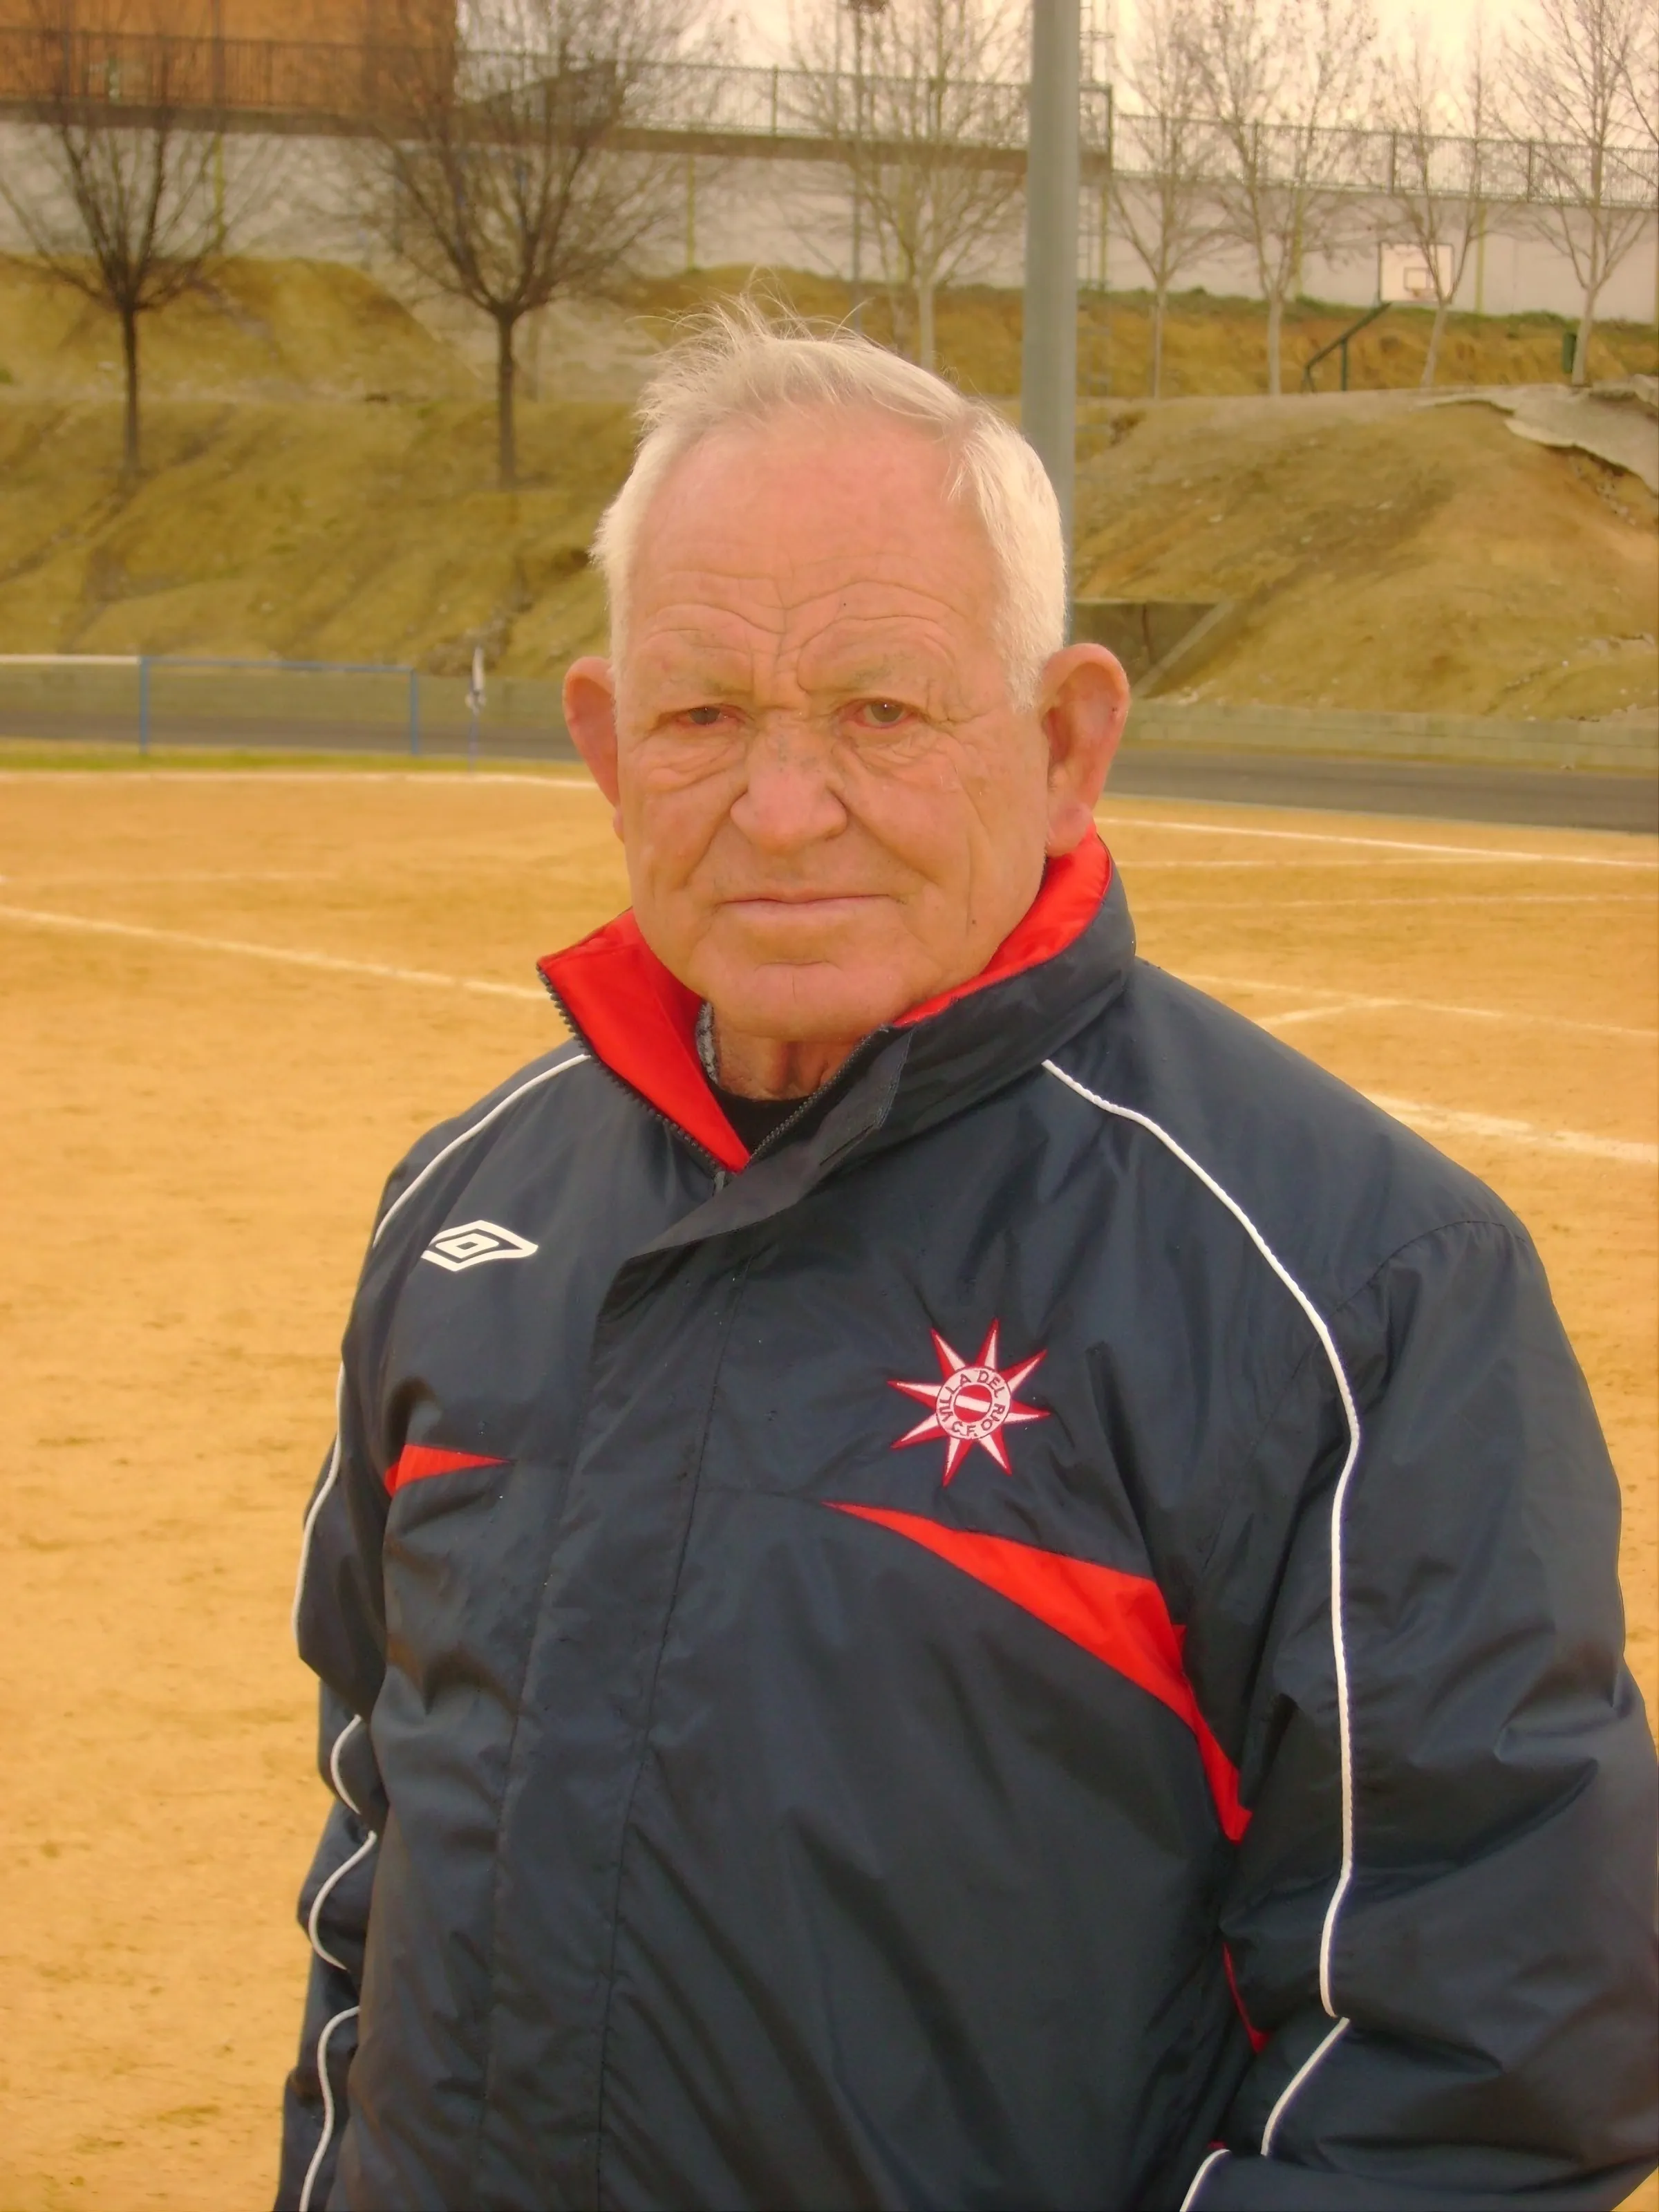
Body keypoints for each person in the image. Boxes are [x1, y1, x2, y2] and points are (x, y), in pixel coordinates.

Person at [276, 310, 1657, 2212]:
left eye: (882, 709)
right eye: (703, 715)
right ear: (604, 744)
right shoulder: (463, 1212)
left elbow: (1472, 2070)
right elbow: (377, 1867)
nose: (781, 808)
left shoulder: (1356, 1286)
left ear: (1068, 740)